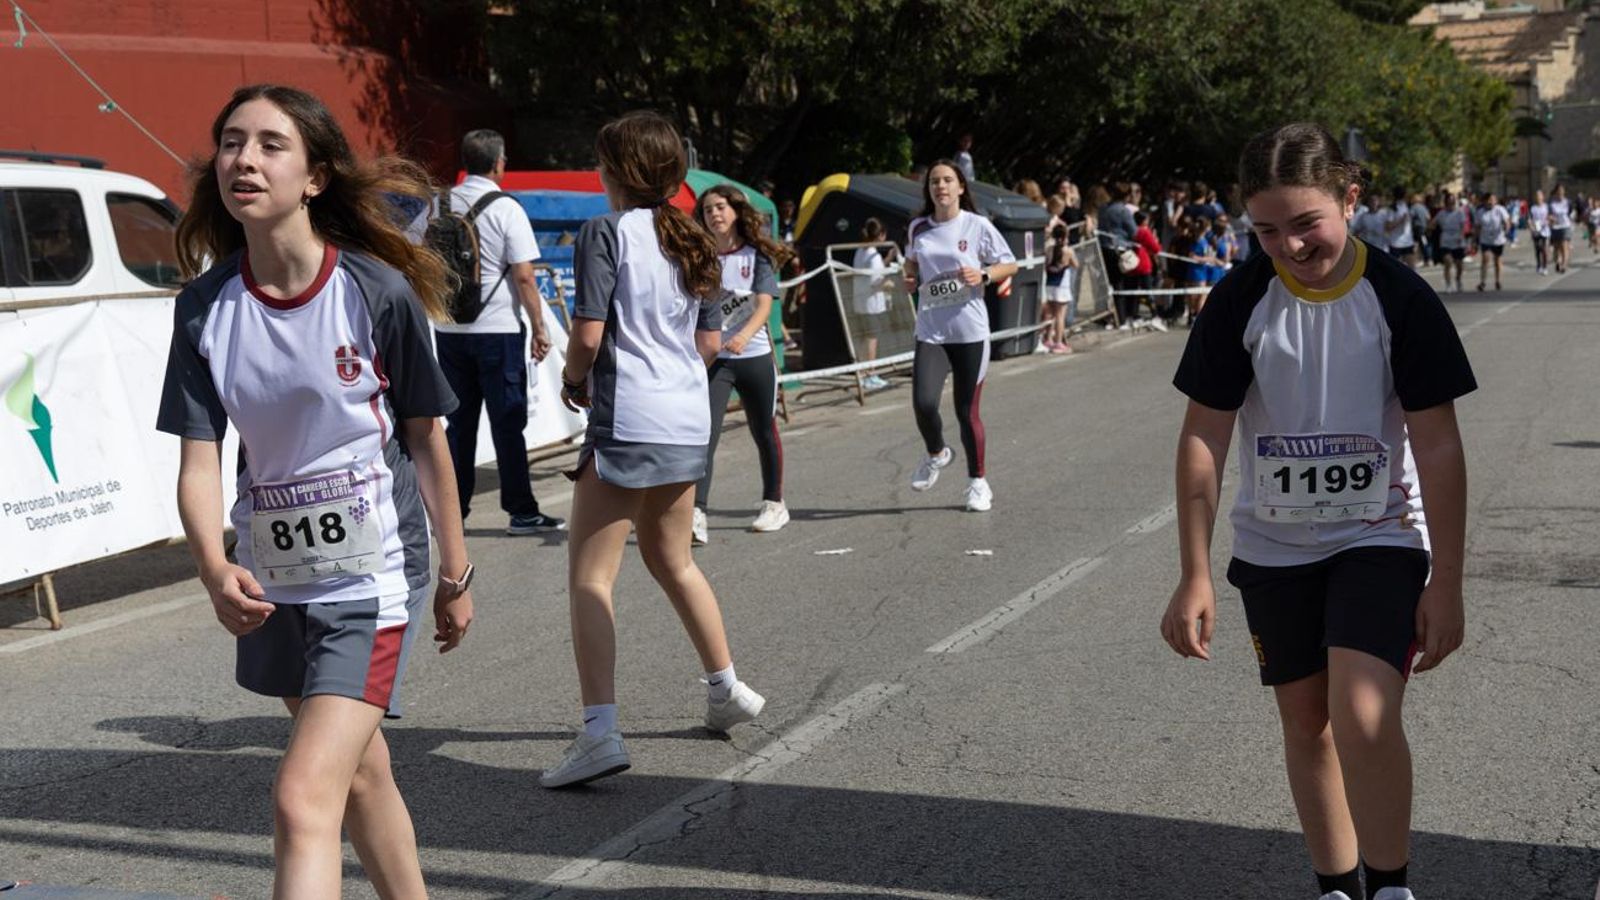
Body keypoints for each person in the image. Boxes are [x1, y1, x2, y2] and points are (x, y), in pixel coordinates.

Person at [158, 83, 474, 897]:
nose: (244, 160)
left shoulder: (373, 292)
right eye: (232, 142)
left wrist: (455, 572)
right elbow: (200, 460)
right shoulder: (203, 309)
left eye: (270, 145)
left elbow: (425, 436)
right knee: (360, 774)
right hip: (275, 577)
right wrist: (210, 565)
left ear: (316, 178)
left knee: (303, 799)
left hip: (369, 577)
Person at [1163, 122, 1474, 900]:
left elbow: (1438, 448)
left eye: (1307, 224)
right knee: (1308, 725)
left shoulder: (1401, 298)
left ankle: (1393, 885)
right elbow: (1204, 436)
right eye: (1265, 230)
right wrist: (1193, 574)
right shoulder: (1242, 298)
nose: (1290, 246)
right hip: (1274, 548)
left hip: (1379, 535)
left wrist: (1449, 582)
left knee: (1364, 714)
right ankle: (1336, 886)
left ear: (1351, 197)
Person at [545, 111, 764, 789]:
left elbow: (587, 333)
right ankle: (725, 684)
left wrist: (574, 380)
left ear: (615, 170)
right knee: (673, 561)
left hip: (628, 415)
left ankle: (600, 730)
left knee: (590, 576)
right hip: (684, 415)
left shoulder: (605, 232)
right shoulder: (695, 237)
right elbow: (706, 344)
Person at [433, 129, 565, 536]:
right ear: (499, 163)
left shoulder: (438, 204)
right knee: (508, 421)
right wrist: (540, 328)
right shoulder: (507, 208)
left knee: (459, 425)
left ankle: (453, 513)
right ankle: (521, 511)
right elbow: (525, 277)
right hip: (498, 329)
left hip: (449, 327)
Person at [901, 159, 1018, 512]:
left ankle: (977, 482)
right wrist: (908, 278)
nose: (941, 187)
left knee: (967, 411)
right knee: (923, 403)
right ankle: (937, 453)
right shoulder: (918, 228)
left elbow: (1010, 264)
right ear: (929, 190)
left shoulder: (977, 225)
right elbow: (910, 264)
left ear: (961, 187)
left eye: (948, 180)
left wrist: (982, 275)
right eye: (935, 181)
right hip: (931, 331)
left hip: (969, 331)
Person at [692, 184, 794, 543]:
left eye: (720, 207)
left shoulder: (756, 255)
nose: (715, 214)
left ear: (735, 211)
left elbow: (765, 304)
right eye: (707, 210)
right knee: (706, 434)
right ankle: (696, 512)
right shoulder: (699, 257)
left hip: (753, 355)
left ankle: (774, 503)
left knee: (763, 430)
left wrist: (743, 336)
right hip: (716, 361)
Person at [852, 217, 900, 382]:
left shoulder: (860, 251)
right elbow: (876, 282)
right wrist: (890, 284)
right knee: (872, 339)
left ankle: (864, 372)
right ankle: (870, 374)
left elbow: (873, 271)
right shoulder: (873, 255)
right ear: (880, 235)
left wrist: (888, 259)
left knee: (864, 337)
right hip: (871, 304)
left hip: (860, 302)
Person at [1041, 222, 1078, 352]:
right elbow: (1076, 264)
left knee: (1050, 314)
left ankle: (1047, 339)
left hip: (1050, 283)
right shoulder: (1068, 251)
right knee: (1060, 315)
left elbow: (1046, 263)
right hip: (1062, 285)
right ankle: (1058, 342)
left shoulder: (1049, 249)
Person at [1431, 191, 1468, 292]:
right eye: (1449, 202)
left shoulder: (1460, 212)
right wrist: (1431, 227)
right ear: (1446, 202)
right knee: (1448, 261)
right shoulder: (1441, 213)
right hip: (1445, 240)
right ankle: (1448, 284)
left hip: (1457, 240)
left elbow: (1463, 226)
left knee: (1459, 264)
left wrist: (1461, 236)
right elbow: (1432, 223)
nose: (1451, 204)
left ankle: (1458, 280)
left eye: (1453, 202)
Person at [1473, 192, 1510, 291]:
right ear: (1484, 201)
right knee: (1485, 259)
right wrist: (1474, 240)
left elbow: (1507, 221)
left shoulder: (1500, 209)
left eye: (1493, 200)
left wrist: (1507, 228)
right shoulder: (1480, 212)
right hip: (1485, 239)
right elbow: (1477, 227)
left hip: (1498, 239)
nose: (1491, 202)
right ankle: (1483, 282)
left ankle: (1498, 281)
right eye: (1489, 200)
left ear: (1496, 201)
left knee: (1497, 260)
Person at [1382, 188, 1416, 266]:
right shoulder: (1393, 208)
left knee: (1412, 269)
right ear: (1403, 195)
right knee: (1396, 270)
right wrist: (1401, 220)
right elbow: (1388, 226)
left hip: (1408, 242)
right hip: (1396, 243)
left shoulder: (1408, 206)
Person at [1548, 184, 1572, 274]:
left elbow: (1570, 212)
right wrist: (1551, 218)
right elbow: (1549, 214)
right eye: (1559, 191)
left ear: (1564, 192)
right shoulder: (1552, 203)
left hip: (1565, 226)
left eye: (1562, 191)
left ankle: (1564, 265)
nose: (1560, 192)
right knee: (1557, 247)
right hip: (1555, 227)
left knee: (1564, 245)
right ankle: (1558, 261)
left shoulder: (1568, 202)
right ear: (1556, 192)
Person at [1528, 189, 1550, 276]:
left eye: (1540, 196)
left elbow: (1549, 217)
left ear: (1543, 197)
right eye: (1537, 196)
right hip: (1535, 230)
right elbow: (1529, 219)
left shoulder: (1546, 207)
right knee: (1537, 249)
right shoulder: (1533, 208)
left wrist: (1547, 222)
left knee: (1543, 249)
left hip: (1545, 231)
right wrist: (1531, 227)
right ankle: (1539, 265)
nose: (1538, 198)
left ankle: (1545, 267)